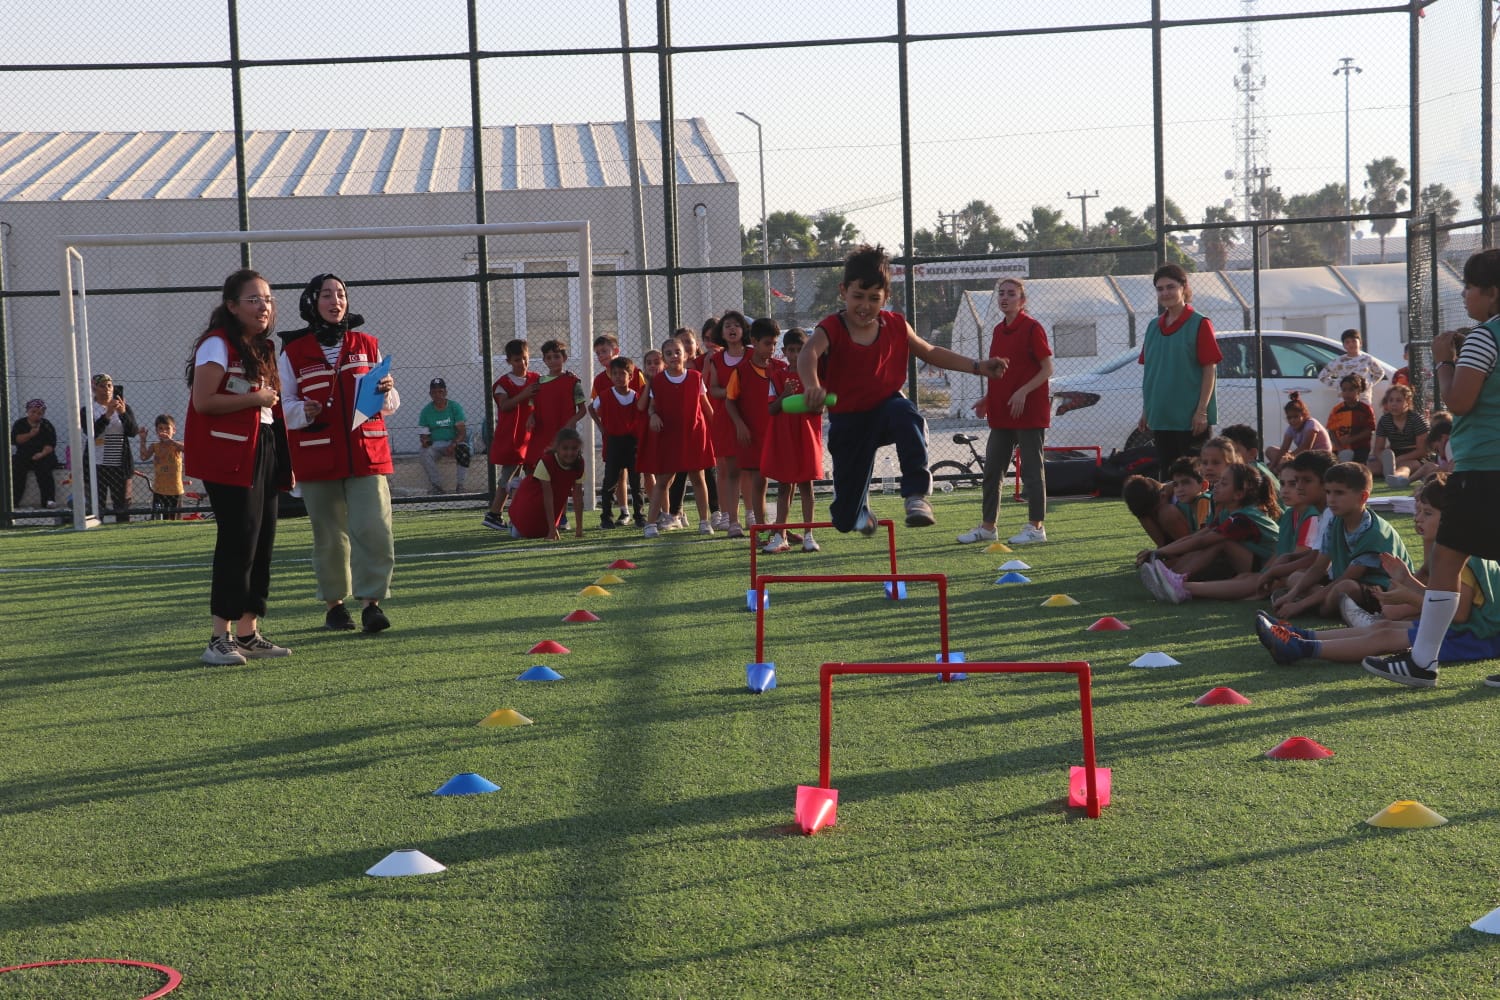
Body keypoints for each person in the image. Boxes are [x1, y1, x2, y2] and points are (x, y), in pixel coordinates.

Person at [798, 244, 1007, 534]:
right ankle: (859, 513)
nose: (864, 306)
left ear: (886, 297)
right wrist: (813, 386)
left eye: (874, 298)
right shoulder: (832, 327)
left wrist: (977, 366)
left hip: (885, 410)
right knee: (844, 521)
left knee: (905, 411)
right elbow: (808, 354)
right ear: (842, 291)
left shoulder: (896, 325)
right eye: (858, 296)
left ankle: (916, 495)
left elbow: (930, 351)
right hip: (848, 422)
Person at [1366, 248, 1500, 688]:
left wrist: (1445, 360)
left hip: (1483, 468)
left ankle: (1422, 661)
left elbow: (1460, 402)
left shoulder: (1485, 337)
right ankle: (1421, 660)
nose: (1464, 295)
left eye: (1469, 287)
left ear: (1492, 293)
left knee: (1445, 559)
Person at [1259, 477, 1500, 671]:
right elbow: (1441, 600)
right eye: (1419, 511)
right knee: (1384, 625)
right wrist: (1406, 582)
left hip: (1481, 637)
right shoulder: (1448, 550)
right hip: (1470, 629)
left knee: (1384, 634)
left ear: (1451, 519)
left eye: (1427, 513)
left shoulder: (1462, 558)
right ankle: (1299, 635)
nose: (1417, 518)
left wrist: (1408, 594)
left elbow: (1458, 614)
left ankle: (1299, 648)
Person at [278, 273, 400, 634]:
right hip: (317, 455)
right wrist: (304, 411)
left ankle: (371, 605)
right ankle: (335, 607)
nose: (336, 301)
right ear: (312, 302)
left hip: (367, 452)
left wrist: (388, 391)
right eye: (327, 295)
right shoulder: (292, 351)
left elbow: (390, 404)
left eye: (341, 294)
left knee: (374, 528)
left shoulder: (367, 343)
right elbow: (283, 403)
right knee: (329, 536)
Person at [183, 269, 290, 665]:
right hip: (228, 454)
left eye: (268, 300)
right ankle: (218, 637)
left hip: (262, 447)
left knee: (262, 539)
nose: (264, 307)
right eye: (254, 300)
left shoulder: (261, 347)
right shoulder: (217, 344)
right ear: (231, 306)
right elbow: (204, 402)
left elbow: (266, 403)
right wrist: (257, 398)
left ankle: (248, 631)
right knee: (238, 540)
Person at [957, 277, 1054, 546]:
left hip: (1028, 410)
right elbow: (1000, 371)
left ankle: (1036, 528)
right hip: (1001, 412)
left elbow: (1047, 369)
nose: (1005, 298)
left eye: (1011, 294)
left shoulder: (1033, 328)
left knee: (1032, 472)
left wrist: (1023, 391)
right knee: (992, 471)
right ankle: (988, 527)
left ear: (1022, 300)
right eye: (1001, 293)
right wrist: (988, 398)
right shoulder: (999, 330)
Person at [1271, 461, 1412, 620]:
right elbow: (1318, 567)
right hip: (1340, 584)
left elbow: (1348, 578)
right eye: (1328, 492)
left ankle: (1319, 608)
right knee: (1295, 577)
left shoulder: (1375, 533)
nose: (1331, 499)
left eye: (1339, 493)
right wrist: (1292, 594)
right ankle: (1321, 603)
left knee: (1345, 588)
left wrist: (1299, 605)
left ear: (1363, 497)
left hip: (1381, 593)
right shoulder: (1335, 522)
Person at [1140, 463, 1280, 602]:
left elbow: (1201, 541)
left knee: (1220, 542)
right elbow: (1197, 536)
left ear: (1238, 494)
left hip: (1269, 566)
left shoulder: (1243, 517)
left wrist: (1160, 553)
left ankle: (1174, 579)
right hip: (1255, 562)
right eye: (1219, 481)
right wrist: (1161, 551)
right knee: (1212, 539)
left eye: (1224, 483)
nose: (1217, 485)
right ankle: (1169, 578)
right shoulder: (1228, 512)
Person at [1137, 264, 1221, 472]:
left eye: (1170, 287)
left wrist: (1201, 411)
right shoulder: (1152, 327)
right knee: (1168, 479)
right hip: (1161, 417)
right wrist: (1147, 411)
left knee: (1196, 479)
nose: (1165, 293)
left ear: (1184, 287)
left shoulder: (1200, 323)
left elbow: (1209, 369)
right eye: (1160, 288)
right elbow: (1151, 372)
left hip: (1190, 419)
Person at [637, 337, 715, 537]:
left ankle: (705, 522)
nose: (674, 356)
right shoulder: (658, 381)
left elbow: (706, 408)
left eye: (677, 352)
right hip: (670, 437)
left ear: (686, 354)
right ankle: (651, 524)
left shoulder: (696, 377)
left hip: (694, 435)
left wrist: (717, 431)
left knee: (698, 478)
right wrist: (653, 415)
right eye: (669, 353)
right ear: (664, 358)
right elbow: (651, 407)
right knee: (663, 481)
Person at [761, 328, 824, 554]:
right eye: (791, 350)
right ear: (784, 352)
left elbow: (820, 408)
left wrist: (814, 397)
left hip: (806, 436)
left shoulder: (814, 376)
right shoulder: (777, 377)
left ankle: (809, 535)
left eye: (800, 350)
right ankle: (780, 535)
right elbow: (771, 409)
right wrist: (785, 395)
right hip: (785, 437)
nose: (796, 355)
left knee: (807, 485)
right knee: (784, 487)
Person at [724, 318, 782, 535]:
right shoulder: (741, 371)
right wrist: (739, 424)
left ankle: (780, 527)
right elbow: (730, 401)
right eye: (768, 343)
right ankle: (761, 524)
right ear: (754, 342)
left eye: (775, 344)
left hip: (775, 433)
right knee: (759, 478)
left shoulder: (780, 368)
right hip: (753, 433)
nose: (772, 348)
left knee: (785, 480)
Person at [483, 338, 538, 531]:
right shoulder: (503, 383)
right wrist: (525, 394)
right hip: (513, 438)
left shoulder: (536, 379)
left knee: (532, 477)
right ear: (508, 361)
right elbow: (505, 405)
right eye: (516, 360)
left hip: (532, 438)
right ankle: (494, 513)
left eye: (524, 358)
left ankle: (526, 513)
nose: (521, 363)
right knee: (507, 478)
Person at [706, 311, 749, 536]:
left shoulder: (753, 355)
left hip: (751, 419)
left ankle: (753, 514)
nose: (732, 329)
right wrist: (731, 392)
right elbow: (713, 388)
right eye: (727, 326)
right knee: (731, 470)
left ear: (743, 330)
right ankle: (733, 521)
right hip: (725, 419)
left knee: (751, 470)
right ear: (721, 333)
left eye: (736, 325)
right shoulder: (716, 359)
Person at [590, 356, 644, 528]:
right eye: (615, 374)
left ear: (631, 376)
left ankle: (639, 515)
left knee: (636, 482)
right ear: (611, 376)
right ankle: (606, 517)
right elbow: (591, 408)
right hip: (613, 442)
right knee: (610, 482)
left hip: (632, 443)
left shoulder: (636, 396)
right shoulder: (605, 395)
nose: (619, 377)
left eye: (622, 374)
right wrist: (601, 426)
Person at [507, 427, 586, 540]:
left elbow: (578, 497)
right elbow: (547, 497)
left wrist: (579, 529)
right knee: (522, 532)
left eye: (574, 448)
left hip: (550, 507)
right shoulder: (546, 461)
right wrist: (552, 529)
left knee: (541, 532)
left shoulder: (579, 464)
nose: (570, 452)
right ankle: (513, 522)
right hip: (531, 501)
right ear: (557, 448)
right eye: (565, 448)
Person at [523, 339, 586, 472]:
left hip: (564, 436)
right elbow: (533, 406)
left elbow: (582, 410)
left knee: (564, 471)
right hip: (542, 434)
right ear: (544, 360)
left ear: (564, 358)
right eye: (549, 357)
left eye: (556, 356)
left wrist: (570, 423)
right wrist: (531, 417)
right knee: (537, 470)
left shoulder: (572, 381)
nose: (553, 360)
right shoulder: (538, 382)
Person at [1124, 456, 1210, 551]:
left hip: (1199, 547)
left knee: (1166, 512)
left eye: (1186, 483)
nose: (1180, 488)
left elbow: (1203, 539)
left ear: (1163, 496)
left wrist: (1165, 552)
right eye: (1176, 484)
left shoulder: (1202, 500)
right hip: (1188, 543)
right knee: (1143, 514)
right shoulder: (1182, 495)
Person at [85, 373, 139, 523]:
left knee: (122, 505)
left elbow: (133, 431)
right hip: (97, 464)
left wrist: (122, 413)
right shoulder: (89, 409)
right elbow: (91, 433)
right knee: (97, 504)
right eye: (102, 386)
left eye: (109, 386)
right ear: (94, 388)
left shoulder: (124, 408)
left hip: (119, 464)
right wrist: (107, 414)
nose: (107, 389)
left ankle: (123, 532)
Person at [1368, 383, 1429, 489]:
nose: (1394, 404)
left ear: (1408, 402)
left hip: (1415, 457)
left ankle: (1397, 478)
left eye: (1398, 400)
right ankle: (1350, 475)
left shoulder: (1416, 420)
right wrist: (1384, 460)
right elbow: (1378, 449)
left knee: (1406, 467)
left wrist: (1399, 459)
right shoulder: (1385, 420)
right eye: (1391, 400)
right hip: (1393, 454)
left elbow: (1422, 451)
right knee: (1371, 467)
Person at [417, 377, 468, 494]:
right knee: (424, 452)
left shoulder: (455, 407)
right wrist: (425, 441)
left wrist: (454, 444)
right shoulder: (426, 411)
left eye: (440, 391)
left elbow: (462, 432)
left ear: (445, 392)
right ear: (430, 394)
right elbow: (423, 435)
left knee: (464, 450)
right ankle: (437, 486)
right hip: (436, 444)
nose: (437, 395)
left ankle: (460, 486)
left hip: (454, 442)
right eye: (434, 392)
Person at [10, 398, 59, 509]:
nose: (36, 415)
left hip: (43, 455)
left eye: (39, 413)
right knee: (16, 470)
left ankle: (48, 500)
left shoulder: (46, 425)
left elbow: (50, 444)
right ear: (27, 411)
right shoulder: (20, 424)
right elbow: (16, 440)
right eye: (33, 412)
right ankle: (13, 501)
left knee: (44, 470)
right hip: (24, 455)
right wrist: (30, 434)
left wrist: (41, 454)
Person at [1264, 393, 1332, 471]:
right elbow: (1284, 449)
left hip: (1319, 458)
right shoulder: (1291, 428)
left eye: (1296, 417)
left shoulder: (1311, 424)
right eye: (1289, 418)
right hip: (1305, 456)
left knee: (1286, 461)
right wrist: (1273, 466)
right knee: (1270, 450)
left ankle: (1282, 469)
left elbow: (1306, 448)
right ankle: (1278, 469)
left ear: (1304, 415)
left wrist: (1287, 457)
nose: (1292, 420)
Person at [1317, 328, 1386, 404]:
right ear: (1343, 345)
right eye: (1347, 342)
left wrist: (1369, 383)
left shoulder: (1367, 359)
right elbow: (1322, 376)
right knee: (1346, 415)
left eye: (1354, 341)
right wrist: (1338, 384)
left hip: (1363, 398)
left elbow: (1380, 372)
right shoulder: (1338, 361)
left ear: (1360, 343)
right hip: (1345, 399)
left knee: (1363, 415)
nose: (1351, 344)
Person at [138, 414, 185, 520]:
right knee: (158, 518)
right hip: (159, 489)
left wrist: (171, 441)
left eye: (167, 428)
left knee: (174, 519)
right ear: (156, 431)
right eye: (160, 428)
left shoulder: (176, 446)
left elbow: (187, 449)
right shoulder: (155, 446)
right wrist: (142, 440)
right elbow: (143, 457)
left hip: (175, 490)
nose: (164, 431)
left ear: (174, 430)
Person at [1326, 373, 1376, 462]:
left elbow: (1369, 430)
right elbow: (1331, 430)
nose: (1347, 393)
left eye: (1351, 390)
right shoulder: (1337, 410)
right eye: (1344, 390)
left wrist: (1351, 439)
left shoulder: (1365, 409)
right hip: (1340, 448)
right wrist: (1339, 447)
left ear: (1359, 391)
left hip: (1360, 448)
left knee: (1358, 468)